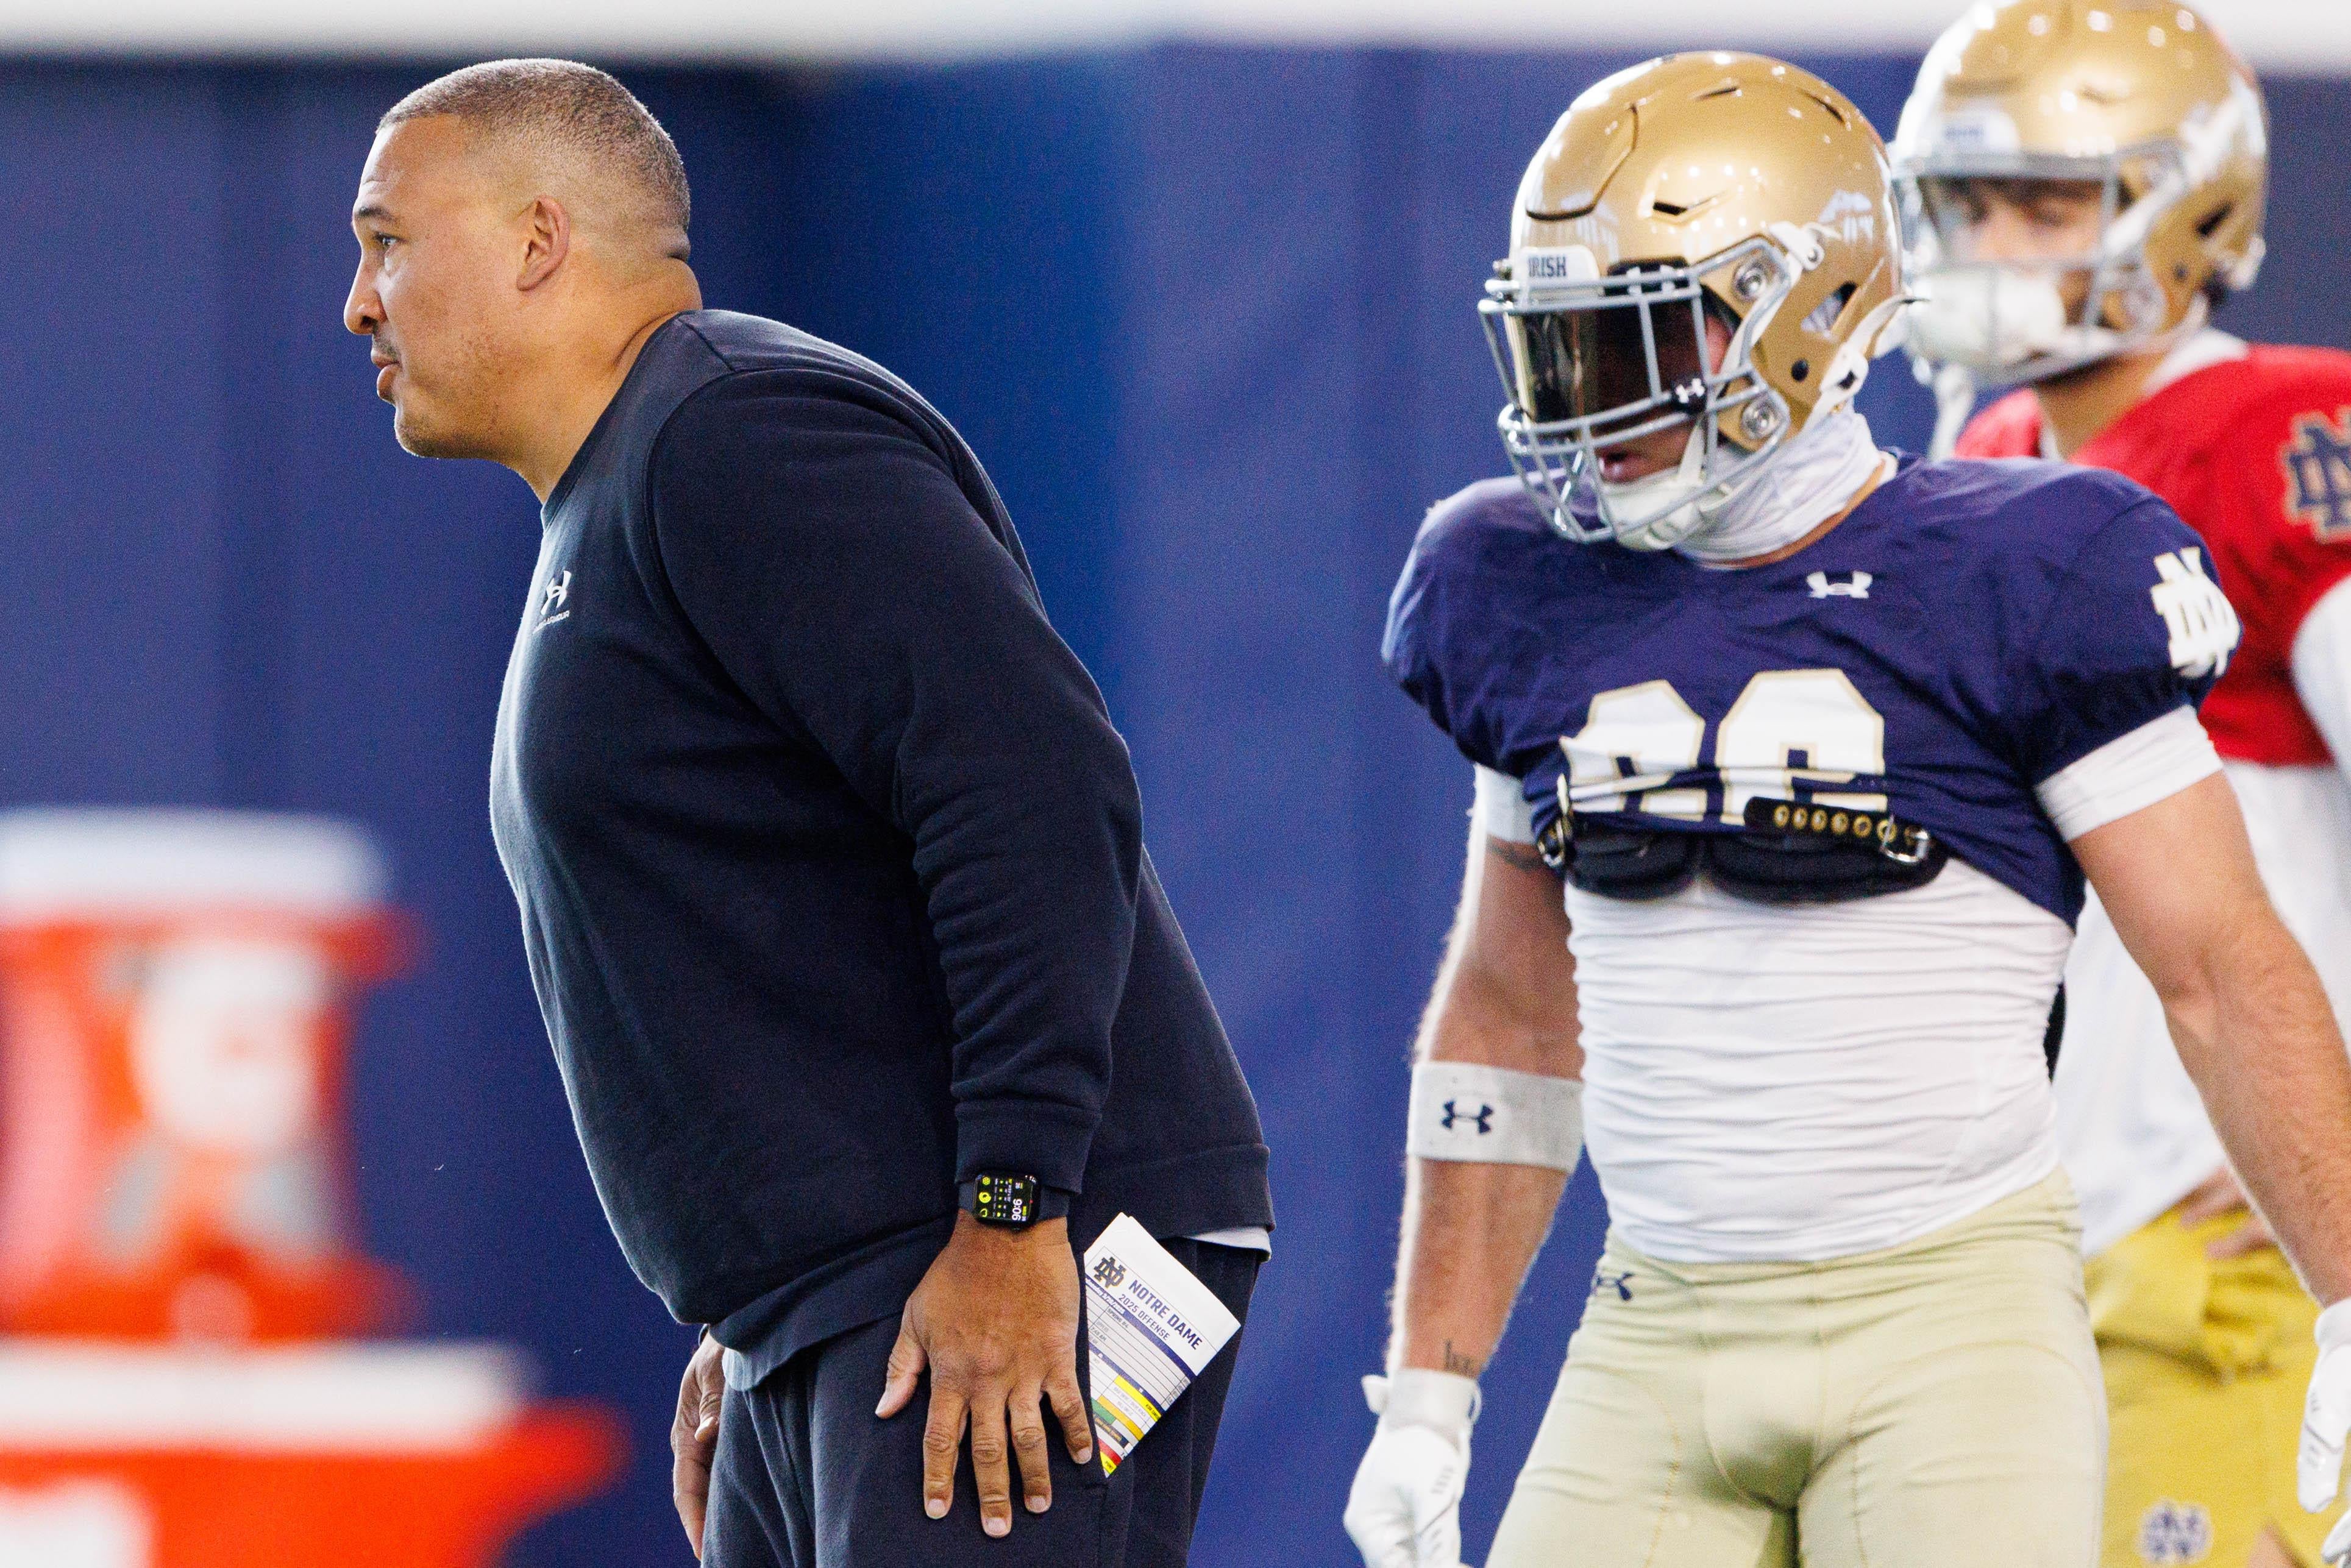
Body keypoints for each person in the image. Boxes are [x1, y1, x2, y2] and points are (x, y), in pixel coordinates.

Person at [1342, 50, 2351, 1568]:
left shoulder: (2033, 564)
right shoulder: (1513, 581)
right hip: (1656, 1316)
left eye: (1638, 340)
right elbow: (1507, 1010)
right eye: (1562, 347)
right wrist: (1430, 1392)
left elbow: (2220, 963)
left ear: (1805, 314)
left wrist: (2345, 1286)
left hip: (1959, 1306)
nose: (1589, 403)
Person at [340, 59, 1272, 1568]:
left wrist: (1014, 1207)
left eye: (388, 242)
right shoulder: (624, 487)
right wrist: (757, 1309)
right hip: (848, 1295)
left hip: (1017, 1250)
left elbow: (1037, 787)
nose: (359, 304)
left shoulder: (738, 434)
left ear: (538, 239)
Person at [1897, 4, 2351, 1563]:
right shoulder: (1986, 450)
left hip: (2222, 1254)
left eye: (2044, 203)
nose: (1990, 247)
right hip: (2013, 1244)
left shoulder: (2276, 437)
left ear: (2192, 209)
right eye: (1965, 203)